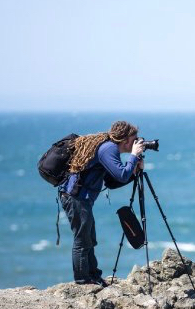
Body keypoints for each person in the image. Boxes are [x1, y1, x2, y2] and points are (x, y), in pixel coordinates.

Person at [59, 121, 144, 286]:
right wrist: (133, 157)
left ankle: (94, 275)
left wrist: (134, 172)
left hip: (79, 198)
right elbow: (121, 175)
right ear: (125, 139)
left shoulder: (109, 148)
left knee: (89, 238)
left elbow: (112, 182)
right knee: (82, 239)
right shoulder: (109, 148)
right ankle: (83, 280)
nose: (136, 143)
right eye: (134, 140)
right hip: (75, 197)